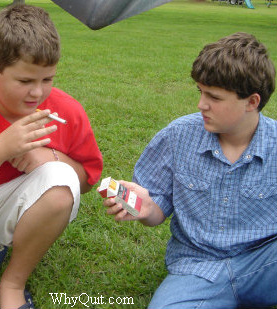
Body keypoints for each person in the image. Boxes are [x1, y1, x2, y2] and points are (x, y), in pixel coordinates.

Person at [103, 32, 277, 308]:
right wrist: (147, 208)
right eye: (200, 92)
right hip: (197, 267)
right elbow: (156, 208)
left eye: (214, 97)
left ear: (252, 102)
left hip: (264, 264)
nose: (201, 105)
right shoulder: (177, 136)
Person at [0, 4, 103, 309]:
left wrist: (51, 156)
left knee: (61, 179)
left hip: (9, 205)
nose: (37, 93)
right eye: (25, 81)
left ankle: (13, 283)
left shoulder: (66, 110)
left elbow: (85, 181)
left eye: (47, 79)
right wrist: (2, 147)